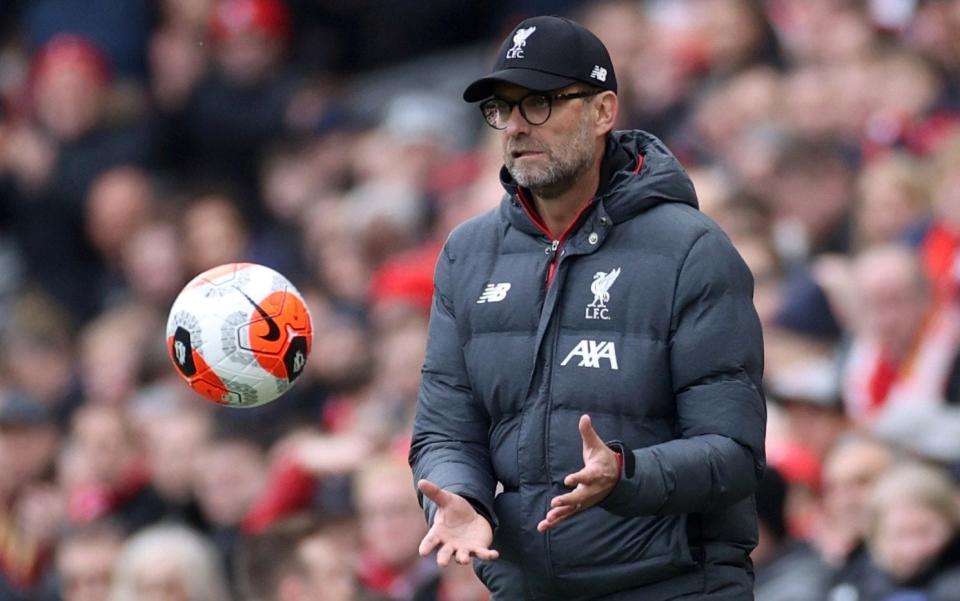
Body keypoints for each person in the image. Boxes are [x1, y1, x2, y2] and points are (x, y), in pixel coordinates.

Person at [408, 15, 766, 600]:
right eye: (503, 107)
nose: (517, 125)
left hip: (672, 586)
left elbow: (733, 455)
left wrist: (625, 475)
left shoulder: (692, 250)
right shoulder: (467, 254)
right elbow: (445, 430)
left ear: (603, 111)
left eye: (541, 103)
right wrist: (460, 499)